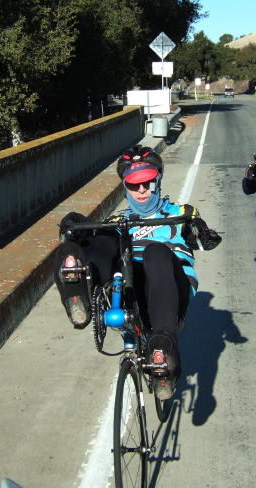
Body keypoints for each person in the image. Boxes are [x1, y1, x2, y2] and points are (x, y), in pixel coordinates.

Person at [53, 145, 220, 399]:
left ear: (158, 180)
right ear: (126, 187)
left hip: (171, 289)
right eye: (133, 185)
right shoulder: (120, 221)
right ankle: (79, 293)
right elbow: (100, 242)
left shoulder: (179, 214)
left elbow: (202, 236)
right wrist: (80, 231)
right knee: (107, 234)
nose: (141, 190)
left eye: (147, 182)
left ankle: (164, 345)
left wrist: (198, 228)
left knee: (155, 252)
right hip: (134, 288)